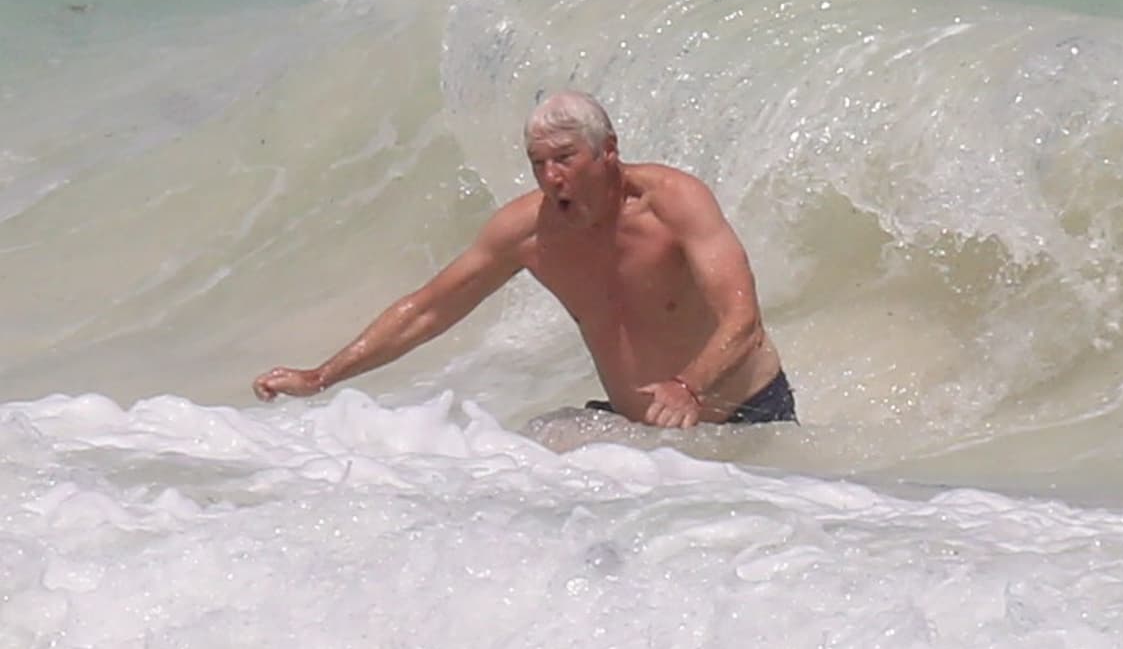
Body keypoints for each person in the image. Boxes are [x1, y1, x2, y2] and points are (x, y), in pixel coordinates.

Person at [252, 90, 796, 428]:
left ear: (608, 151)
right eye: (538, 163)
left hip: (745, 419)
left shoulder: (673, 203)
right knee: (534, 458)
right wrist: (321, 376)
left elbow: (742, 321)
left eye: (565, 158)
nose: (551, 177)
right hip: (643, 433)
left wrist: (688, 387)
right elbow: (426, 311)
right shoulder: (527, 233)